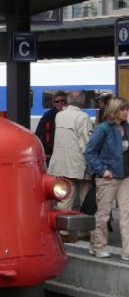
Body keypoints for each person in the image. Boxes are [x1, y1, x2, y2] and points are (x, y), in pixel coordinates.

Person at [84, 97, 129, 259]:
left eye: (126, 109)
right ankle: (97, 246)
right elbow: (89, 152)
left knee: (127, 212)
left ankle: (127, 250)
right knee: (103, 214)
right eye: (122, 109)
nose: (126, 112)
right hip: (108, 176)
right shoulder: (103, 129)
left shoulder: (126, 127)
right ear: (114, 111)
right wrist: (102, 170)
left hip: (125, 175)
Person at [48, 90, 94, 242]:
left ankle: (64, 231)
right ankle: (83, 230)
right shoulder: (83, 117)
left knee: (65, 197)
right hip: (79, 164)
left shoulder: (59, 116)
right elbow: (86, 143)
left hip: (62, 163)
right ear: (82, 102)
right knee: (85, 198)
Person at [35, 90, 67, 164]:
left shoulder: (69, 115)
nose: (60, 103)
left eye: (62, 101)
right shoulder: (48, 115)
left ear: (66, 102)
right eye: (57, 101)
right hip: (50, 151)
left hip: (64, 150)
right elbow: (39, 132)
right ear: (54, 103)